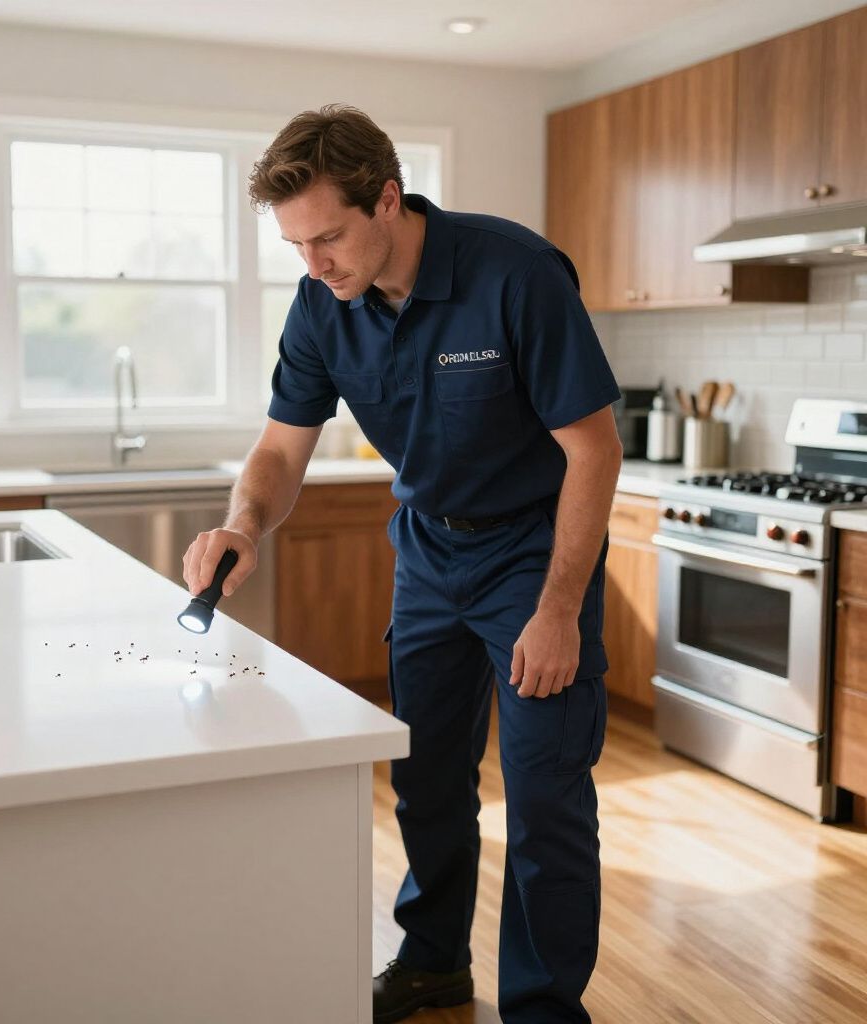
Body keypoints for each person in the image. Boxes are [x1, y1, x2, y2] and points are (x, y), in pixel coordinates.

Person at [182, 104, 623, 1024]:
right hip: (428, 552)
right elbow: (280, 448)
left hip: (533, 559)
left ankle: (543, 1009)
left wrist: (557, 611)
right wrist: (244, 525)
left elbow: (593, 450)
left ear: (388, 199)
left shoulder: (515, 274)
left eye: (330, 237)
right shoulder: (321, 304)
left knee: (543, 796)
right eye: (297, 245)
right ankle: (432, 962)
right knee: (423, 777)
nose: (316, 264)